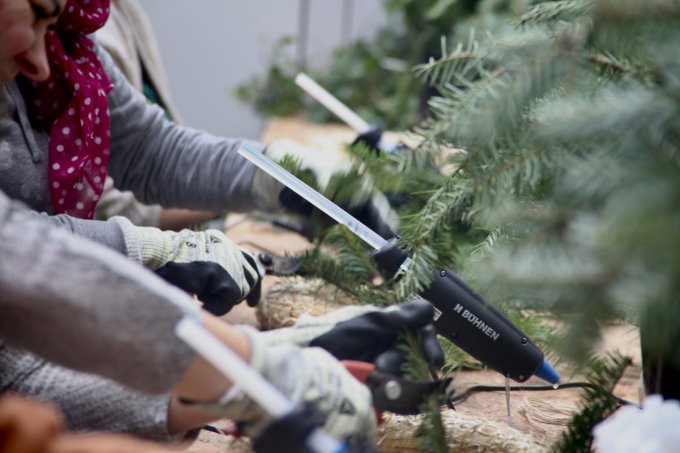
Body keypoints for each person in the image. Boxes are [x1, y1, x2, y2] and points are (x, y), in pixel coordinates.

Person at [0, 0, 398, 314]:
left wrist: (282, 172)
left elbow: (150, 151)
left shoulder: (71, 36)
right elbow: (12, 237)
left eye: (47, 24)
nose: (39, 63)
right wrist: (151, 251)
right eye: (35, 17)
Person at [95, 0, 218, 230]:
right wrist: (227, 196)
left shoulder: (123, 8)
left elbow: (158, 148)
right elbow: (109, 209)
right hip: (133, 245)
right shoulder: (88, 30)